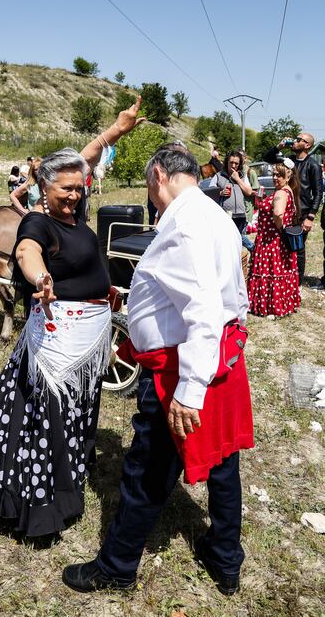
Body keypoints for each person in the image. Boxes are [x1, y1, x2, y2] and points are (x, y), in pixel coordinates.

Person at [0, 98, 146, 538]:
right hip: (58, 341)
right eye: (65, 190)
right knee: (46, 416)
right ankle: (41, 503)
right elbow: (26, 252)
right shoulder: (38, 222)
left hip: (88, 337)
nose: (75, 195)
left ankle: (71, 468)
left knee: (77, 410)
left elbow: (82, 159)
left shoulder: (75, 210)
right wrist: (40, 279)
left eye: (79, 188)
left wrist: (116, 130)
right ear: (43, 189)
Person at [63, 145, 253, 596]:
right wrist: (136, 300)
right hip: (217, 356)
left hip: (181, 365)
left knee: (148, 467)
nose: (150, 192)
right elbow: (230, 295)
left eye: (150, 182)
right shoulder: (214, 216)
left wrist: (188, 390)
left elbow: (203, 308)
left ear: (161, 175)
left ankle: (117, 565)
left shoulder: (184, 225)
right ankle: (225, 557)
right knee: (225, 462)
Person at [263, 133, 323, 284]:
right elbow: (267, 158)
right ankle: (285, 279)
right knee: (284, 246)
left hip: (301, 214)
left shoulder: (313, 165)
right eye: (296, 139)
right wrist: (279, 147)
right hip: (286, 210)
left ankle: (298, 282)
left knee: (298, 248)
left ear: (307, 145)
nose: (295, 141)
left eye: (299, 140)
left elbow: (318, 193)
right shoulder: (289, 161)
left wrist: (310, 216)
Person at [247, 159, 301, 317]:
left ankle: (270, 306)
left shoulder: (280, 193)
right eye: (274, 174)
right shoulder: (289, 190)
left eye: (279, 175)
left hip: (272, 240)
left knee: (271, 272)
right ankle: (282, 303)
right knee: (282, 271)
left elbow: (278, 213)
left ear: (288, 176)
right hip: (279, 240)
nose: (275, 178)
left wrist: (277, 227)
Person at [209, 151, 253, 251]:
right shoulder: (218, 175)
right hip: (225, 216)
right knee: (226, 244)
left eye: (236, 163)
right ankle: (252, 248)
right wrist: (220, 193)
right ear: (226, 162)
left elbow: (249, 192)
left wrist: (238, 179)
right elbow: (209, 193)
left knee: (238, 243)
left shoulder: (242, 176)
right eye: (231, 162)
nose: (233, 165)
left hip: (241, 215)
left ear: (240, 164)